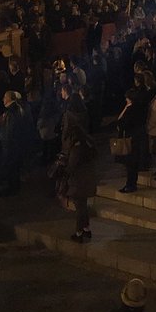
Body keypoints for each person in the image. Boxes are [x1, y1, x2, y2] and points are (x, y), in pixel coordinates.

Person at [62, 94, 97, 243]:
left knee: (80, 206)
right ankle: (87, 228)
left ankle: (79, 232)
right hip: (88, 177)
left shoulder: (76, 148)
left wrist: (65, 174)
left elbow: (72, 165)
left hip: (79, 180)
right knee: (83, 205)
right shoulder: (88, 143)